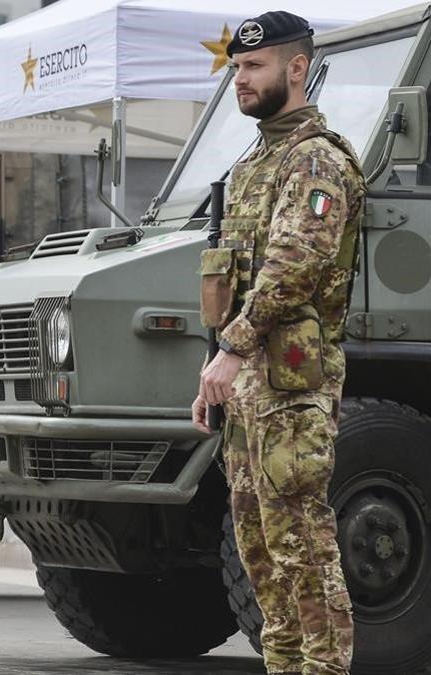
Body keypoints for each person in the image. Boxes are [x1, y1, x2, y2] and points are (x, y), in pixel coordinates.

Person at [192, 11, 363, 675]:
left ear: (296, 69)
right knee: (258, 543)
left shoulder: (316, 159)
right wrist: (219, 371)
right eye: (236, 67)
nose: (241, 78)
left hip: (294, 384)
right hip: (249, 389)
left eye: (254, 66)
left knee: (302, 541)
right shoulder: (256, 162)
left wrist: (231, 349)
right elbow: (237, 279)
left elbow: (294, 265)